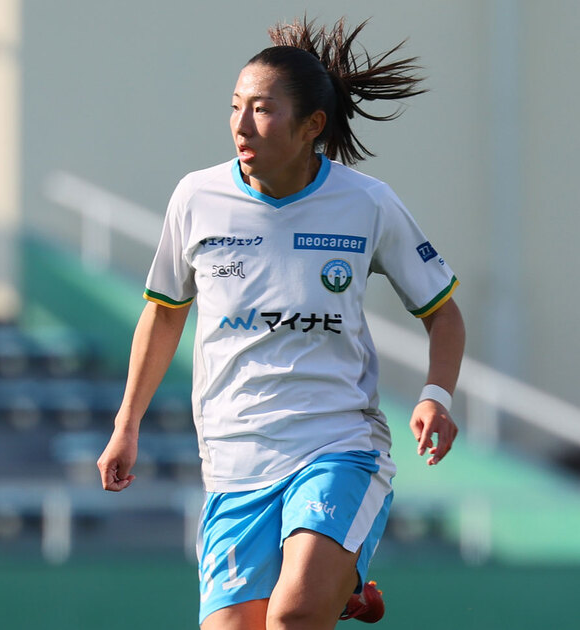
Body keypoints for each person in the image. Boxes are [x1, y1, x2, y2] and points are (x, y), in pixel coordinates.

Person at [97, 16, 465, 630]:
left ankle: (329, 581)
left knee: (292, 615)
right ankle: (341, 584)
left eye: (263, 109)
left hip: (337, 445)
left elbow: (443, 313)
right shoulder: (196, 198)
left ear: (312, 125)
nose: (242, 124)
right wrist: (126, 425)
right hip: (233, 462)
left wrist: (436, 395)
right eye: (235, 106)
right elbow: (163, 314)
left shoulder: (367, 202)